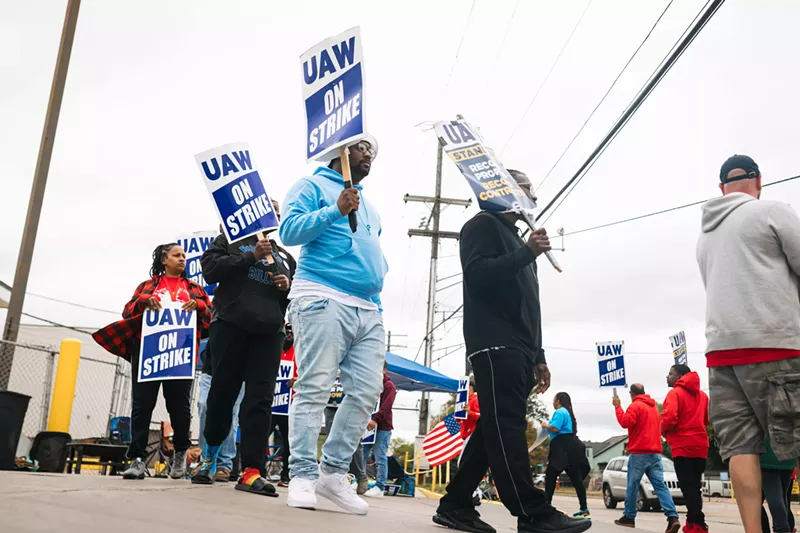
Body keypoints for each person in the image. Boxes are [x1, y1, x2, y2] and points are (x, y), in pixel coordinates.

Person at [433, 169, 591, 533]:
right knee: (507, 426)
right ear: (502, 190)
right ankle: (532, 511)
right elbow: (479, 277)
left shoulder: (518, 239)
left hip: (520, 347)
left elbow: (530, 304)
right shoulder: (482, 225)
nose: (533, 196)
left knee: (494, 428)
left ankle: (455, 504)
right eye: (526, 188)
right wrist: (526, 253)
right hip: (494, 343)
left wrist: (540, 355)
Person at [280, 135, 387, 515]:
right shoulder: (311, 185)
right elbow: (289, 232)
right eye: (360, 147)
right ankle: (303, 475)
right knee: (315, 387)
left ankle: (333, 473)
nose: (368, 154)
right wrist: (335, 211)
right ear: (339, 152)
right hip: (322, 295)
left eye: (371, 150)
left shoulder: (369, 207)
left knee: (365, 393)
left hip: (367, 309)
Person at [696, 154, 800, 533]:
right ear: (758, 182)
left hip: (721, 353)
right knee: (794, 438)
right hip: (775, 343)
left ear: (721, 188)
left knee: (740, 448)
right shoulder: (772, 210)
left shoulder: (705, 236)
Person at [192, 199, 296, 497]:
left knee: (260, 400)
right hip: (230, 326)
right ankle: (209, 458)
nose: (274, 214)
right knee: (222, 393)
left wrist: (286, 287)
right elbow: (210, 271)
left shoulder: (285, 256)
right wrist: (251, 257)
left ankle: (252, 470)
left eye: (277, 211)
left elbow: (295, 294)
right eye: (269, 209)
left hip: (269, 332)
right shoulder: (229, 240)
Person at [93, 243, 212, 480]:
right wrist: (144, 302)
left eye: (184, 256)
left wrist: (198, 305)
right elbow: (127, 312)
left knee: (180, 408)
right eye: (176, 255)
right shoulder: (147, 286)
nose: (182, 259)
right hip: (148, 352)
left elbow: (209, 320)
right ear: (164, 260)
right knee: (141, 406)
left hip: (180, 354)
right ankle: (137, 459)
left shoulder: (194, 288)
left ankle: (180, 453)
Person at [613, 384, 680, 532]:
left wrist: (617, 407)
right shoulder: (653, 408)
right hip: (655, 453)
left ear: (632, 394)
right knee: (660, 486)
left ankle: (629, 516)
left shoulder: (635, 406)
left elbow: (625, 422)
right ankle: (672, 517)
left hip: (639, 453)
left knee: (632, 485)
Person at [661, 364, 710, 533]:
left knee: (688, 488)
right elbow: (706, 419)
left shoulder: (674, 394)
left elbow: (670, 417)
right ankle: (691, 523)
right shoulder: (702, 395)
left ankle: (699, 524)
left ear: (680, 376)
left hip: (683, 445)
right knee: (695, 487)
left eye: (670, 374)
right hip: (701, 445)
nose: (667, 377)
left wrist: (663, 430)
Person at [196, 335, 244, 482]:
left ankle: (224, 464)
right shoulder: (216, 311)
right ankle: (207, 459)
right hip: (212, 367)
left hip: (238, 369)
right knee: (204, 405)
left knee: (231, 413)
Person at [541, 392, 590, 519]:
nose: (553, 402)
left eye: (554, 399)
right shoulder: (569, 414)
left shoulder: (559, 412)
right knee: (576, 478)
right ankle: (584, 509)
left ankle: (547, 505)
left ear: (558, 401)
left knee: (551, 475)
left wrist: (545, 425)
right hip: (571, 447)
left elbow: (555, 428)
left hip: (560, 446)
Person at [363, 363, 397, 498]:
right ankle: (360, 480)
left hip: (382, 427)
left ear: (384, 369)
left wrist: (375, 419)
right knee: (362, 454)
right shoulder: (372, 384)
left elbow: (386, 407)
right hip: (368, 425)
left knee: (380, 456)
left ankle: (380, 486)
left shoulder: (389, 386)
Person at [270, 323, 297, 487]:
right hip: (272, 404)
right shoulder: (274, 349)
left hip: (289, 406)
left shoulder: (300, 353)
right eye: (287, 331)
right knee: (260, 435)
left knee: (289, 443)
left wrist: (297, 379)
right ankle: (257, 469)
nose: (289, 335)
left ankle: (286, 474)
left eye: (292, 332)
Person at [759, 440, 797, 533]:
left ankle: (782, 529)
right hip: (789, 456)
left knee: (772, 501)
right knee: (783, 499)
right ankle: (782, 528)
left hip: (768, 457)